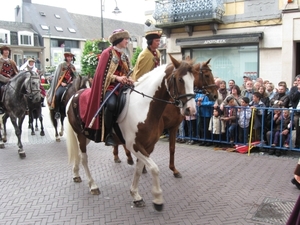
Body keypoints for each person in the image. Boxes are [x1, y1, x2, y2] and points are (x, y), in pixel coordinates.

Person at [82, 29, 134, 145]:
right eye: (125, 39)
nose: (127, 41)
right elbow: (101, 74)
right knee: (111, 105)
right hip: (110, 88)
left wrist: (128, 78)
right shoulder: (107, 53)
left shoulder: (124, 55)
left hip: (123, 87)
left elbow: (127, 71)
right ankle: (109, 134)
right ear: (119, 40)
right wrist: (117, 78)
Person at [47, 52, 76, 119]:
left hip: (70, 84)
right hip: (62, 84)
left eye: (71, 57)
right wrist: (61, 83)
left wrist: (73, 81)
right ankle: (57, 111)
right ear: (65, 57)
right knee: (57, 94)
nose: (70, 58)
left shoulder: (72, 67)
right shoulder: (61, 65)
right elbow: (58, 76)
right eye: (68, 57)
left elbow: (75, 76)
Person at [0, 45, 19, 114]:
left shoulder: (12, 62)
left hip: (12, 80)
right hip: (2, 80)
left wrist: (15, 78)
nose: (6, 52)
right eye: (5, 50)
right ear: (2, 52)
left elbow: (16, 72)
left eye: (7, 50)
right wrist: (6, 79)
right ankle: (1, 106)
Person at [289, 74, 300, 148]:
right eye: (298, 80)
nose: (299, 82)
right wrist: (298, 91)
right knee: (298, 129)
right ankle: (297, 144)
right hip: (297, 112)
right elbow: (292, 98)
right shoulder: (294, 89)